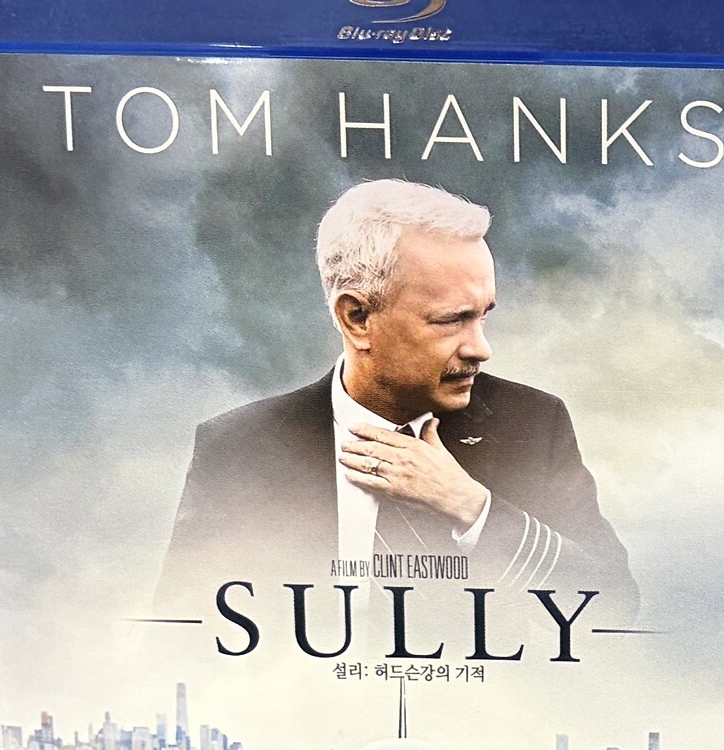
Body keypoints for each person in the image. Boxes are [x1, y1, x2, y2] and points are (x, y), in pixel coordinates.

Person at [158, 180, 637, 615]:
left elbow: (613, 607)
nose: (481, 349)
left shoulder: (532, 425)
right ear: (357, 319)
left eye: (483, 316)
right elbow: (182, 634)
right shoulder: (239, 448)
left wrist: (473, 509)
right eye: (451, 320)